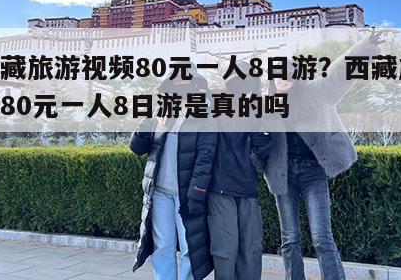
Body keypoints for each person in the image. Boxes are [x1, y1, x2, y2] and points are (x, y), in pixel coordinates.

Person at [262, 30, 384, 280]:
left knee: (321, 238)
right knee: (290, 239)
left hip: (312, 173)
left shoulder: (313, 93)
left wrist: (365, 45)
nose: (283, 80)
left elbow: (338, 74)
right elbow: (255, 140)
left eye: (288, 75)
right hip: (283, 176)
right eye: (278, 76)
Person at [130, 71, 217, 280]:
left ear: (195, 84)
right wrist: (149, 122)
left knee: (190, 249)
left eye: (185, 80)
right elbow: (137, 147)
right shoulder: (161, 111)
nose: (180, 85)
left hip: (187, 195)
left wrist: (196, 191)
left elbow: (206, 158)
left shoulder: (204, 114)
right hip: (160, 193)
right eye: (176, 81)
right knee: (163, 247)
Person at [207, 62, 273, 280]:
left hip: (245, 188)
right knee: (228, 250)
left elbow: (263, 145)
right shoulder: (216, 106)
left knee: (249, 250)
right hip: (221, 189)